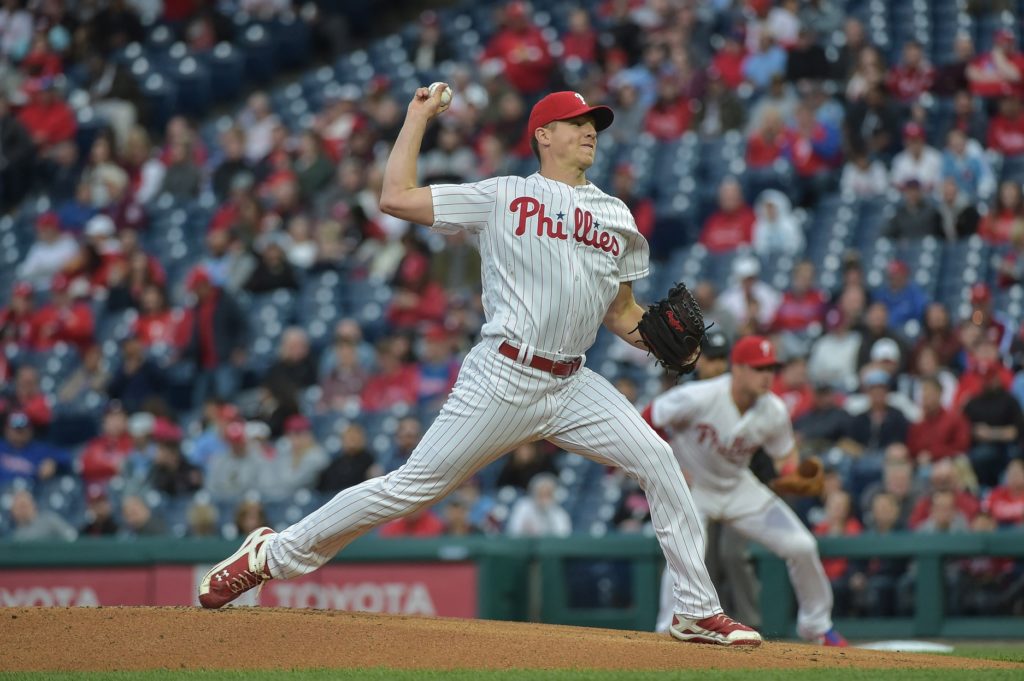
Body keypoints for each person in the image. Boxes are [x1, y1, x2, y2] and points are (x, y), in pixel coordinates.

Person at [198, 86, 760, 646]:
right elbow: (395, 197)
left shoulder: (615, 215)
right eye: (577, 122)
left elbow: (622, 312)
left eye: (594, 123)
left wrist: (671, 345)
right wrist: (417, 116)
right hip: (504, 374)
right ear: (544, 135)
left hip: (572, 383)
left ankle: (696, 610)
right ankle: (272, 554)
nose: (590, 130)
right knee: (410, 489)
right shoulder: (503, 195)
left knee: (658, 459)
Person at [646, 336, 846, 646]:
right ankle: (666, 627)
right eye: (758, 368)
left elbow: (785, 457)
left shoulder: (773, 410)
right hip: (694, 487)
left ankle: (817, 626)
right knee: (686, 552)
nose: (767, 375)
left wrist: (792, 476)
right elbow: (648, 417)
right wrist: (667, 463)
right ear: (737, 369)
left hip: (738, 486)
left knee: (802, 545)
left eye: (770, 368)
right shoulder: (699, 396)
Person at [505, 472, 572, 537]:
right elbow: (513, 531)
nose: (544, 498)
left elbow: (563, 536)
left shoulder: (559, 513)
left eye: (547, 494)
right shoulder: (523, 506)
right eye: (541, 493)